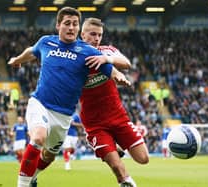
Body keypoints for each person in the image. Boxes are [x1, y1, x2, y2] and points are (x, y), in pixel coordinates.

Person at [7, 7, 130, 187]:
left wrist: (118, 75)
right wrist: (17, 60)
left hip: (63, 115)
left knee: (48, 156)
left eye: (75, 24)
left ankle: (32, 176)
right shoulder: (46, 43)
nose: (71, 27)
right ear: (58, 25)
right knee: (38, 137)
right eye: (67, 23)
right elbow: (31, 51)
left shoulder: (87, 51)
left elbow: (109, 67)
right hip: (40, 103)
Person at [79, 18, 149, 187]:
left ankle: (115, 145)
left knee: (143, 158)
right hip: (95, 123)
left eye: (99, 35)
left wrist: (106, 59)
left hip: (118, 117)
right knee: (118, 167)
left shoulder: (106, 50)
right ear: (82, 35)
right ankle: (125, 181)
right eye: (92, 34)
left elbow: (126, 63)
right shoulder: (74, 58)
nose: (96, 38)